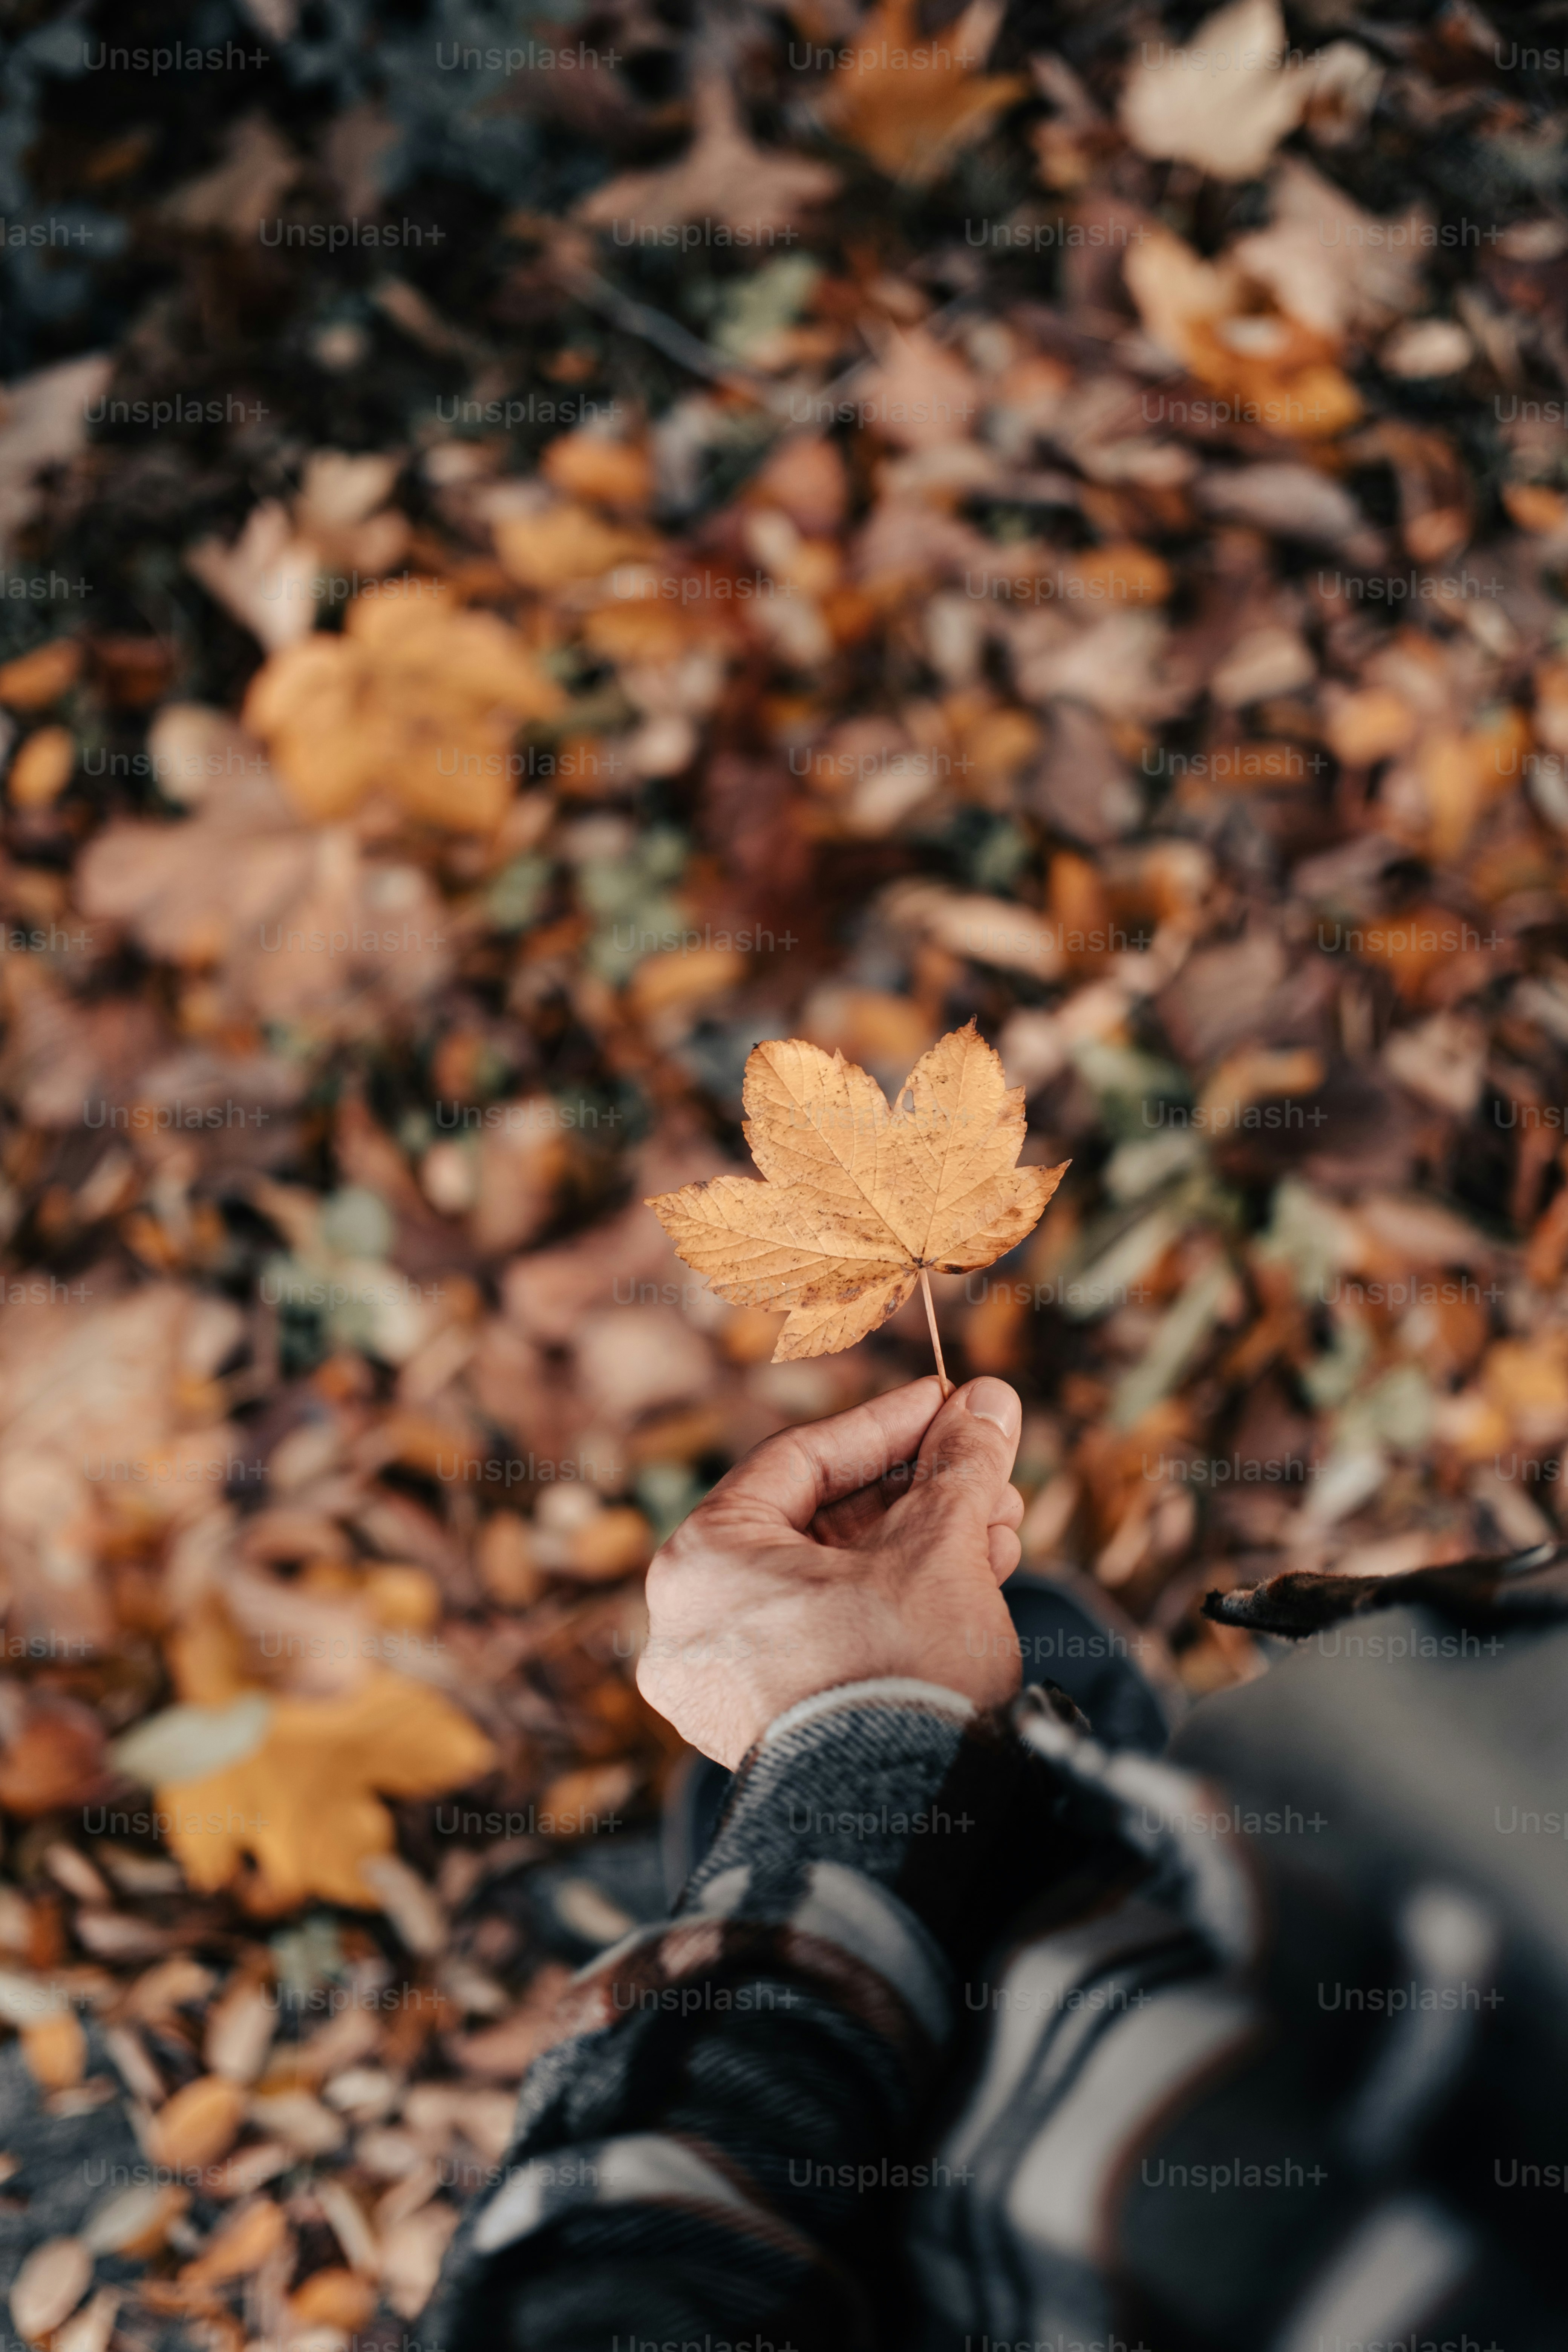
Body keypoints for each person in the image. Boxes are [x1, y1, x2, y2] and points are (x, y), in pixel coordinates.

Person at [424, 1375, 1568, 2352]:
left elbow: (631, 2292)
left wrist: (852, 1747)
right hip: (1294, 1829)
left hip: (961, 2166)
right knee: (1075, 1708)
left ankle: (779, 1872)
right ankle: (1048, 1819)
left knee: (818, 1818)